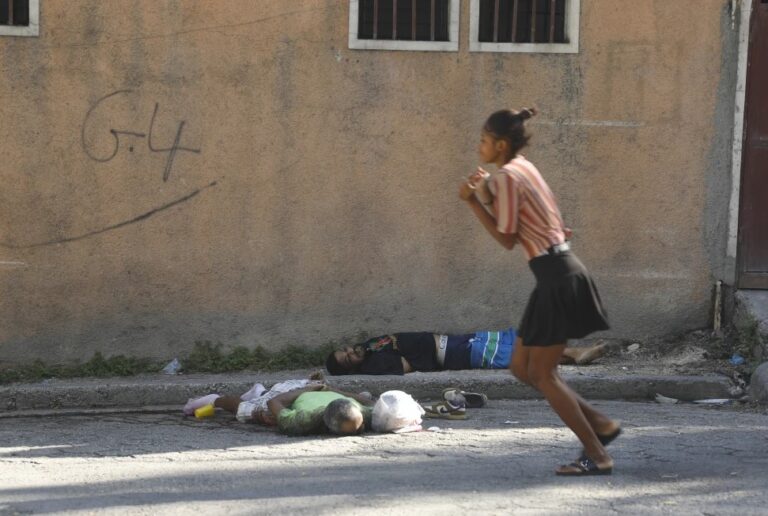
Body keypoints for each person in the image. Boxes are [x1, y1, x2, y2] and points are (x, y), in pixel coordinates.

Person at [458, 107, 619, 476]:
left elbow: (506, 238)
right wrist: (485, 193)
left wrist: (472, 200)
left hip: (557, 276)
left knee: (543, 375)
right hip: (556, 272)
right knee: (521, 367)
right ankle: (603, 425)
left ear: (500, 145)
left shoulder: (509, 177)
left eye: (483, 140)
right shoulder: (523, 167)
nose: (479, 146)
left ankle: (597, 454)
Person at [325, 330, 607, 376]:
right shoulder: (373, 365)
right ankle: (572, 353)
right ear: (350, 368)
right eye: (346, 358)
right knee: (510, 352)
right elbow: (408, 366)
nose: (351, 352)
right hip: (451, 354)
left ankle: (569, 354)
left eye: (346, 350)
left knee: (508, 341)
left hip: (452, 341)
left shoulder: (370, 346)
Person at [183, 374, 374, 435]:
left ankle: (258, 391)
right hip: (292, 391)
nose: (363, 428)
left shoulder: (363, 410)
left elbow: (366, 399)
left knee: (265, 406)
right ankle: (213, 399)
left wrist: (326, 388)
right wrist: (266, 418)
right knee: (244, 411)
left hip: (314, 386)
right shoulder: (303, 420)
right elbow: (274, 402)